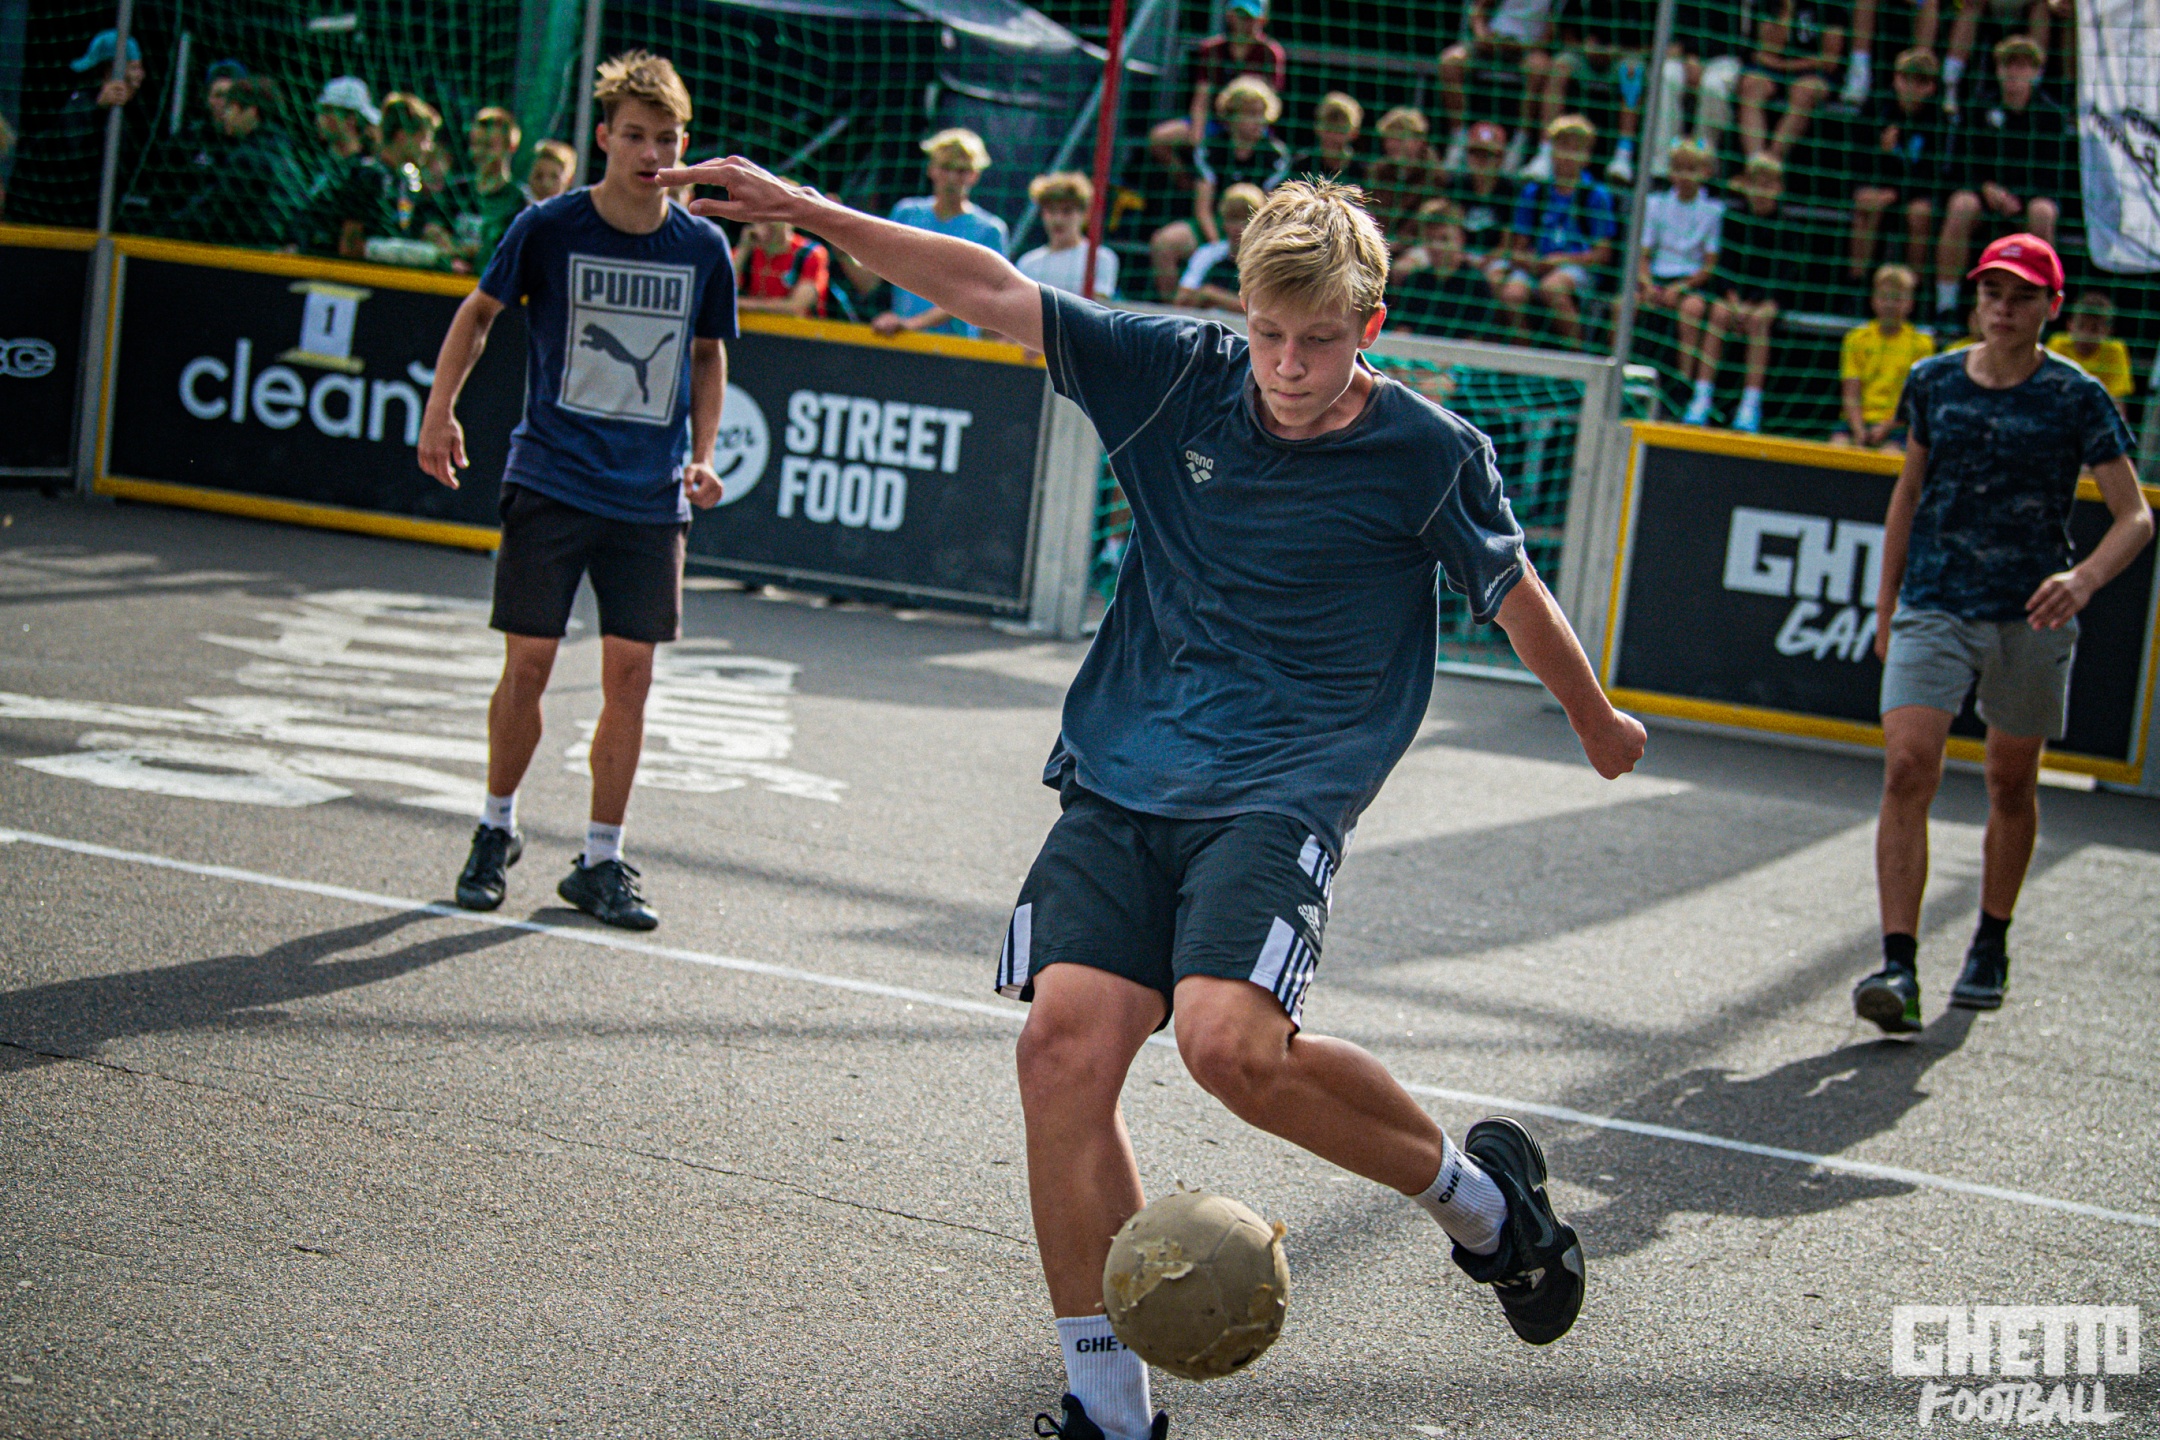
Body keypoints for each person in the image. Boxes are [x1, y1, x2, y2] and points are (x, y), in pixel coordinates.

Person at [656, 152, 1646, 1440]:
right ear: (1243, 313)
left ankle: (1485, 1209)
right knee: (1059, 1051)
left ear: (1372, 327)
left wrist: (1595, 720)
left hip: (1281, 787)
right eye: (1270, 334)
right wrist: (807, 211)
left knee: (1229, 1049)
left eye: (1320, 341)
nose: (1288, 364)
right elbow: (991, 290)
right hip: (1125, 769)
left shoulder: (1427, 451)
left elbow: (1512, 591)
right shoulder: (1178, 374)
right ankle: (1108, 1413)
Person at [416, 50, 735, 932]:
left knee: (630, 676)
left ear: (684, 143)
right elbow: (478, 314)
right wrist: (440, 412)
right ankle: (495, 828)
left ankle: (600, 859)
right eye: (634, 135)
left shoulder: (702, 247)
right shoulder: (550, 227)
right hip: (552, 478)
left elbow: (709, 355)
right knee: (529, 664)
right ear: (604, 137)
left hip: (649, 497)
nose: (650, 152)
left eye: (665, 137)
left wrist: (704, 453)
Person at [1853, 234, 2151, 1032]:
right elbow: (1908, 494)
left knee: (2010, 782)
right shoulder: (1934, 380)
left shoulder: (2078, 396)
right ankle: (1898, 964)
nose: (2004, 309)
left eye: (2022, 297)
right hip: (1933, 604)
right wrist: (1886, 605)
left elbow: (2135, 516)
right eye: (1992, 293)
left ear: (2051, 307)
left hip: (2031, 613)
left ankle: (1990, 940)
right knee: (1907, 766)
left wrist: (2083, 579)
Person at [1933, 37, 2071, 320]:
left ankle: (2040, 307)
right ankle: (1945, 304)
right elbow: (1961, 162)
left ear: (2036, 72)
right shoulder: (1978, 107)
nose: (2015, 73)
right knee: (1960, 205)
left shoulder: (2051, 115)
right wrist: (1985, 187)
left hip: (2029, 198)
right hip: (1985, 196)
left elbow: (2053, 174)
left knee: (2043, 212)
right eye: (2009, 65)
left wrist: (2018, 196)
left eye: (2023, 66)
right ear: (1998, 69)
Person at [844, 128, 1008, 339]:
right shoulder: (906, 214)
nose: (952, 178)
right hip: (903, 341)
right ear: (931, 169)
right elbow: (868, 281)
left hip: (957, 348)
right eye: (946, 167)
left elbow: (977, 296)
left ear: (974, 175)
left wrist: (912, 324)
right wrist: (840, 245)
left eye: (961, 170)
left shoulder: (989, 230)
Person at [4, 28, 146, 228]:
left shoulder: (119, 116)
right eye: (134, 68)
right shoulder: (80, 106)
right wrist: (99, 109)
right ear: (111, 71)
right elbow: (73, 160)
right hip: (53, 224)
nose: (140, 76)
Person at [1689, 152, 1788, 432]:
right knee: (1718, 314)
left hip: (1768, 299)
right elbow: (1725, 266)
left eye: (1768, 184)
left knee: (1758, 321)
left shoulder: (1785, 225)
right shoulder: (1734, 218)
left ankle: (1750, 404)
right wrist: (1734, 300)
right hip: (1734, 296)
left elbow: (1785, 274)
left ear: (1779, 188)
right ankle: (1701, 396)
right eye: (1757, 184)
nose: (1761, 191)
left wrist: (1756, 304)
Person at [1499, 114, 1617, 347]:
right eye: (1562, 146)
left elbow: (1602, 254)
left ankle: (1577, 355)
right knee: (1512, 294)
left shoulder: (1595, 195)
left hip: (1577, 268)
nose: (1567, 155)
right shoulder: (1534, 192)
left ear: (1587, 155)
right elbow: (1517, 247)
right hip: (1537, 265)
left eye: (1575, 148)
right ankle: (1524, 357)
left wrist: (1561, 260)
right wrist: (1530, 262)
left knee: (1552, 288)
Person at [161, 74, 308, 248]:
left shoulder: (249, 157)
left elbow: (209, 211)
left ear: (251, 111)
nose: (225, 116)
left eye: (231, 108)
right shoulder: (285, 151)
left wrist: (159, 233)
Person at [1848, 48, 1952, 284]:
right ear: (1895, 79)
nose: (1911, 88)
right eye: (1906, 79)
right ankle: (1856, 286)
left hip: (1917, 194)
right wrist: (1882, 153)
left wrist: (1895, 193)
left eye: (1921, 82)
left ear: (1931, 87)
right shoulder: (1876, 109)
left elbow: (1934, 175)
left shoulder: (1939, 120)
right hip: (1881, 187)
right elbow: (1859, 161)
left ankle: (1914, 290)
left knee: (1919, 213)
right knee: (1866, 203)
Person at [1636, 138, 1724, 400]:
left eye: (1690, 169)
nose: (1684, 176)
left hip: (1689, 281)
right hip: (1656, 278)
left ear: (1704, 172)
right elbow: (1643, 256)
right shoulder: (1655, 204)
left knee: (1692, 310)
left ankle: (1683, 387)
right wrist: (1647, 284)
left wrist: (1681, 287)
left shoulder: (1713, 211)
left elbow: (1709, 265)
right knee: (1624, 306)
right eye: (1678, 168)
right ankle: (1626, 378)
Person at [1437, 0, 1561, 175]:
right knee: (1450, 61)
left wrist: (1528, 46)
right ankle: (1458, 141)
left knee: (1539, 68)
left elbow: (1552, 28)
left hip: (1528, 49)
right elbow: (1478, 10)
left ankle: (1519, 145)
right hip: (1492, 42)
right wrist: (1483, 37)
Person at [1832, 264, 1935, 447]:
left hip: (1898, 424)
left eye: (1897, 299)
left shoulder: (1921, 344)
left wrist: (1887, 426)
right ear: (1873, 299)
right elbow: (1850, 392)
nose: (1889, 304)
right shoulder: (1856, 338)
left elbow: (1915, 399)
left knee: (1890, 454)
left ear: (1910, 303)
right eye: (1884, 297)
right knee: (1838, 447)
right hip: (1857, 420)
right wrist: (1859, 431)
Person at [292, 76, 395, 258]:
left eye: (326, 111)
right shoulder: (322, 169)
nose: (319, 119)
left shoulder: (367, 174)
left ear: (350, 120)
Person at [1737, 0, 1842, 163]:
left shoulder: (1829, 6)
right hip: (1771, 70)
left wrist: (1782, 65)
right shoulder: (1769, 4)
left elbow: (1829, 60)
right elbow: (1767, 50)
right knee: (1751, 85)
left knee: (1805, 90)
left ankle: (1771, 162)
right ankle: (1754, 162)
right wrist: (1787, 10)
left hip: (1812, 72)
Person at [1180, 0, 1287, 148]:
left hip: (1254, 125)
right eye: (1240, 15)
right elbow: (1202, 97)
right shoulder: (1212, 49)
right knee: (1161, 137)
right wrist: (1197, 133)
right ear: (1229, 15)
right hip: (1215, 122)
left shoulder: (1270, 53)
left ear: (1262, 19)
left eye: (1249, 17)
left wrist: (1250, 125)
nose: (1244, 22)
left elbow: (1271, 104)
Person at [1389, 198, 1496, 339]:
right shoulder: (1415, 281)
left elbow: (1475, 340)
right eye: (1430, 239)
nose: (1436, 247)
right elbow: (1402, 330)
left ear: (1461, 239)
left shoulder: (1476, 285)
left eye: (1444, 239)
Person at [441, 106, 529, 270]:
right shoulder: (456, 190)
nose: (479, 152)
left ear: (510, 147)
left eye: (488, 146)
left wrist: (466, 251)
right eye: (475, 144)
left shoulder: (518, 201)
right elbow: (433, 229)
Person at [1016, 171, 1118, 299]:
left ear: (1085, 214)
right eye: (1051, 211)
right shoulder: (1028, 263)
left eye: (1067, 211)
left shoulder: (1100, 258)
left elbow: (1098, 305)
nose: (1058, 219)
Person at [1444, 121, 1517, 289]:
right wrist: (1461, 257)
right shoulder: (1457, 185)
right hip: (1459, 253)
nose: (1481, 161)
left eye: (1488, 155)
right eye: (1476, 154)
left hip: (1495, 257)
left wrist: (1485, 261)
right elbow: (1452, 229)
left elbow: (1507, 242)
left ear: (1501, 158)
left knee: (1493, 281)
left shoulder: (1509, 191)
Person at [1174, 182, 1263, 312]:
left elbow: (1262, 311)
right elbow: (1181, 301)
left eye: (1246, 219)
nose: (1239, 227)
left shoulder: (1263, 261)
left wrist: (1212, 295)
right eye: (1233, 218)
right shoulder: (1208, 254)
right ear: (1223, 221)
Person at [1362, 106, 1444, 246]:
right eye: (1389, 138)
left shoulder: (1434, 176)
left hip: (1418, 246)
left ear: (1419, 141)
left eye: (1400, 138)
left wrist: (1400, 243)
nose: (1393, 145)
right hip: (1377, 242)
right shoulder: (1376, 172)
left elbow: (1427, 220)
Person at [2046, 293, 2136, 419]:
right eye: (2081, 326)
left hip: (2097, 417)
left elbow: (2118, 402)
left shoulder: (2115, 351)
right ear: (2069, 324)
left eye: (2094, 329)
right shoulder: (2058, 344)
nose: (2086, 335)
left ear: (2108, 330)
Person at [735, 204, 831, 317]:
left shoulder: (810, 254)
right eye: (762, 219)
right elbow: (721, 290)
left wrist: (739, 304)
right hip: (752, 325)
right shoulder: (747, 250)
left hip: (796, 327)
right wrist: (743, 250)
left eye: (773, 219)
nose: (768, 224)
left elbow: (796, 307)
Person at [1290, 91, 1363, 185]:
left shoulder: (1363, 171)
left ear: (1354, 133)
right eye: (1328, 129)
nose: (1333, 137)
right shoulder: (1300, 165)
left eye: (1340, 131)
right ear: (1317, 128)